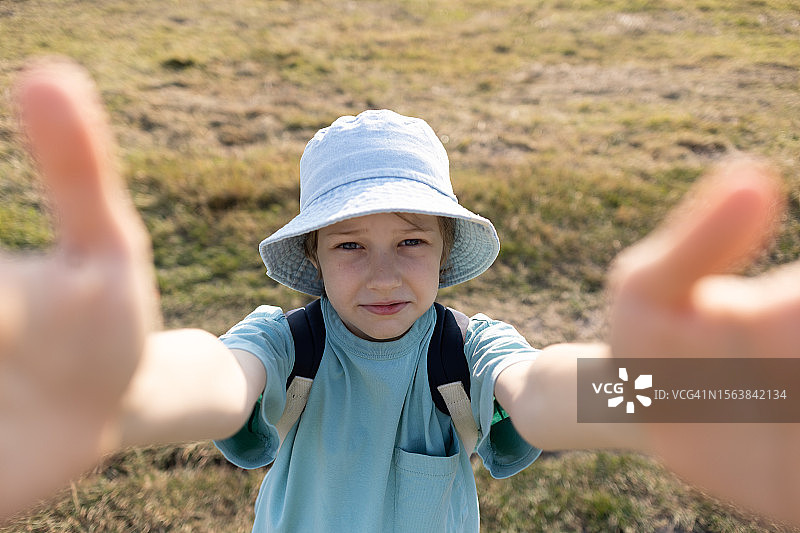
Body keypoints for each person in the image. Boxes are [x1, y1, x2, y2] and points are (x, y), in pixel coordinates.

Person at [1, 59, 798, 529]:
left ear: (447, 251)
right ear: (314, 255)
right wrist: (120, 392)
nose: (383, 273)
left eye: (411, 240)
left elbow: (542, 391)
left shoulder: (468, 349)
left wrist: (679, 394)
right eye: (351, 245)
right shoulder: (291, 344)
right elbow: (213, 376)